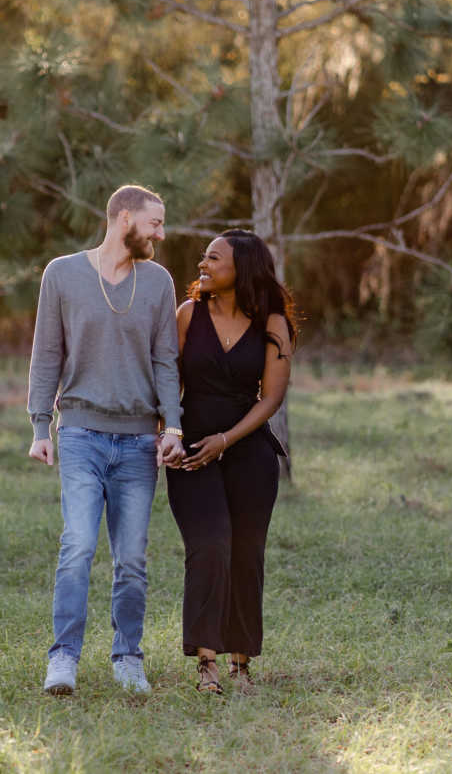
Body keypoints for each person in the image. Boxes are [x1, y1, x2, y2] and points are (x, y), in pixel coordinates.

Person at [28, 184, 186, 696]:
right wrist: (39, 426)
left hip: (139, 443)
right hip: (79, 435)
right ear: (123, 219)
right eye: (155, 223)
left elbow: (166, 361)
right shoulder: (62, 274)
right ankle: (64, 659)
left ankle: (127, 657)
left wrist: (174, 426)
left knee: (132, 560)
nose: (161, 233)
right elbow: (46, 354)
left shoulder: (159, 283)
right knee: (76, 546)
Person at [165, 228, 296, 695]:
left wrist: (227, 438)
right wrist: (171, 435)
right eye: (204, 257)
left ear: (242, 268)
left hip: (249, 453)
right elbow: (168, 385)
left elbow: (270, 399)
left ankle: (241, 665)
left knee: (246, 552)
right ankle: (207, 664)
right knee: (209, 545)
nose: (203, 264)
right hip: (192, 454)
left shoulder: (272, 323)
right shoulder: (187, 316)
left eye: (214, 259)